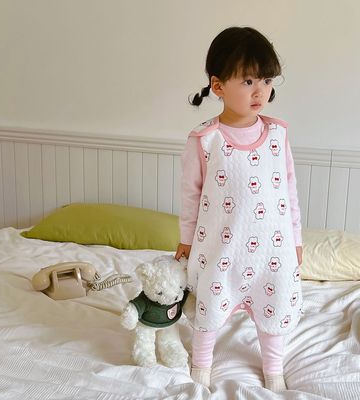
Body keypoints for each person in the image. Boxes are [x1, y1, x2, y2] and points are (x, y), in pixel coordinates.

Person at [175, 26, 303, 392]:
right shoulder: (205, 139)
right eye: (248, 81)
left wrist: (296, 239)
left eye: (266, 80)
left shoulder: (277, 135)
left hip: (273, 248)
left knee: (275, 300)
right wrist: (186, 240)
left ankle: (273, 368)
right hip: (221, 246)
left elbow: (289, 190)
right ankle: (201, 363)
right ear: (218, 86)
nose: (260, 91)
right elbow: (191, 196)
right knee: (210, 300)